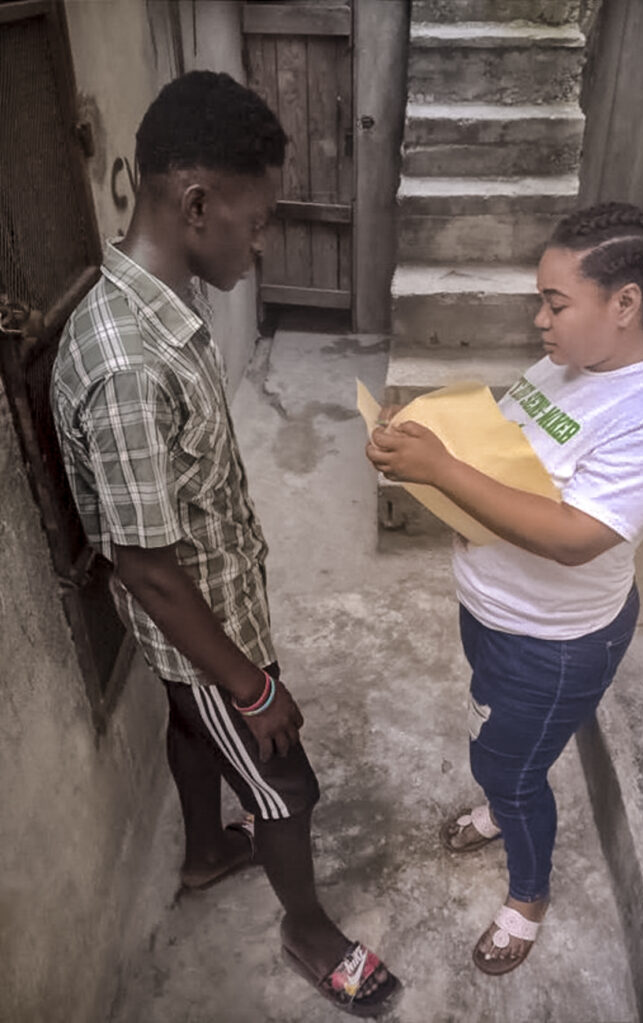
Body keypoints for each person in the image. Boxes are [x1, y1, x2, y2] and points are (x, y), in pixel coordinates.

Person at [52, 71, 400, 1017]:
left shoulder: (166, 305)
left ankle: (205, 852)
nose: (264, 237)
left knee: (186, 725)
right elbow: (149, 570)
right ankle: (309, 929)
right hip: (206, 632)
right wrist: (252, 685)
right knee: (284, 777)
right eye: (258, 219)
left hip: (205, 620)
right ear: (196, 201)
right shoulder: (129, 360)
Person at [366, 202, 643, 975]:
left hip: (555, 642)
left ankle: (527, 894)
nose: (539, 319)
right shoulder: (565, 368)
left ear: (624, 304)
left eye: (556, 302)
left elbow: (572, 537)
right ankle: (502, 805)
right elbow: (506, 457)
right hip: (494, 610)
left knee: (509, 767)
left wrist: (443, 473)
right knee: (499, 736)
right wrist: (423, 451)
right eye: (541, 300)